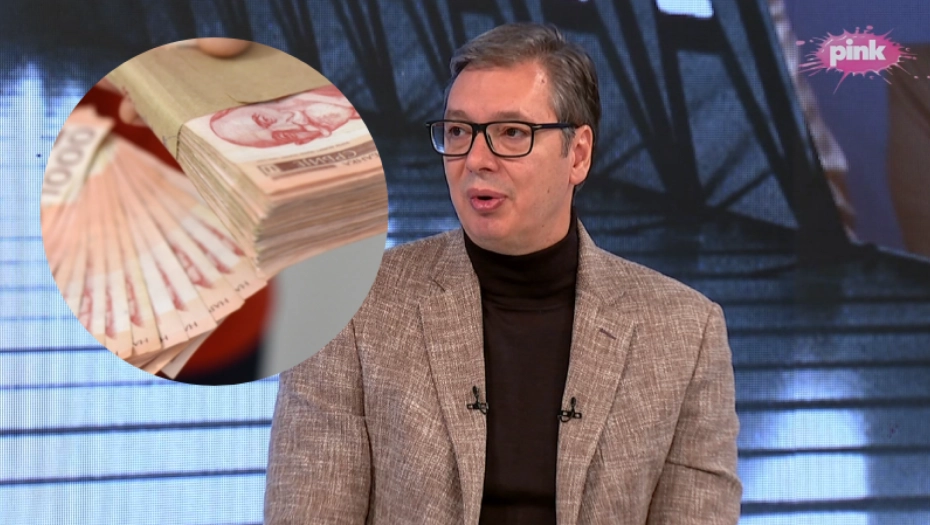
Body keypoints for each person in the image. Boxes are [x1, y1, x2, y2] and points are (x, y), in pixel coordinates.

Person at [265, 22, 741, 524]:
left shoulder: (685, 334)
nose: (476, 159)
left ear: (578, 154)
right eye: (458, 132)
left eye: (512, 133)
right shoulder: (352, 309)